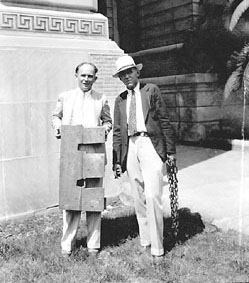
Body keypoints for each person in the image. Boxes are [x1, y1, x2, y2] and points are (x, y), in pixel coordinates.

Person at [112, 55, 176, 263]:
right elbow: (117, 131)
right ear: (120, 78)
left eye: (129, 71)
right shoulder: (120, 99)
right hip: (131, 146)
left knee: (152, 195)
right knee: (138, 197)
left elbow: (164, 121)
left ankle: (157, 248)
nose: (127, 76)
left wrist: (171, 152)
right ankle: (145, 241)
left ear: (137, 72)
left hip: (150, 143)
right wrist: (117, 159)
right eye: (123, 74)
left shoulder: (151, 90)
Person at [51, 62, 112, 257]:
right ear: (76, 75)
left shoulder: (101, 99)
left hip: (94, 154)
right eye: (83, 75)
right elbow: (55, 117)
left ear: (95, 78)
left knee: (93, 200)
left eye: (90, 76)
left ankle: (93, 245)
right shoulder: (65, 97)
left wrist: (105, 129)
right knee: (71, 201)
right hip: (72, 155)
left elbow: (107, 121)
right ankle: (67, 246)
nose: (86, 79)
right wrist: (58, 127)